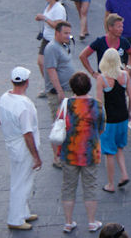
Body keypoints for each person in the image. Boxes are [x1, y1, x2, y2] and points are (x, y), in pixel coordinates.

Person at [0, 67, 42, 231]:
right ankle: (15, 218)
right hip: (22, 147)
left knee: (20, 178)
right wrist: (36, 156)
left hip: (12, 144)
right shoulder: (24, 105)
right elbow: (27, 134)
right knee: (22, 182)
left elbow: (0, 120)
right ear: (27, 82)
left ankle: (23, 211)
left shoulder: (4, 98)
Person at [59, 72, 105, 233]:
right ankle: (92, 221)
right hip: (90, 151)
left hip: (69, 151)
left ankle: (68, 221)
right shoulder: (97, 105)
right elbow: (101, 128)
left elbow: (60, 124)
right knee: (90, 186)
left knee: (68, 187)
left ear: (72, 88)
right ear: (89, 86)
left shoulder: (66, 104)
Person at [95, 49, 131, 193]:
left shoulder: (102, 79)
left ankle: (110, 184)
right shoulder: (125, 75)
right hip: (122, 117)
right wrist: (129, 112)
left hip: (109, 120)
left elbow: (99, 102)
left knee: (109, 152)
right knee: (119, 148)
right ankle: (124, 174)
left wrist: (99, 122)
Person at [44, 21, 76, 168]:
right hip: (59, 93)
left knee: (66, 124)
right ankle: (57, 157)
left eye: (69, 33)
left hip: (68, 90)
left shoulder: (63, 45)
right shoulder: (51, 48)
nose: (68, 36)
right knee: (58, 125)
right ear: (57, 32)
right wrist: (60, 91)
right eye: (65, 33)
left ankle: (65, 153)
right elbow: (51, 70)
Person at [80, 14, 131, 78]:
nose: (122, 29)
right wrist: (92, 73)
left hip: (120, 79)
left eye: (122, 27)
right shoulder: (100, 42)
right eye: (119, 27)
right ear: (110, 27)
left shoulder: (123, 41)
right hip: (105, 81)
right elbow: (83, 56)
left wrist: (129, 66)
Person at [35, 0, 66, 96]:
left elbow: (57, 25)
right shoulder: (48, 6)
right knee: (41, 62)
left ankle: (57, 87)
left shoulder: (58, 8)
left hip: (55, 40)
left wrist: (44, 18)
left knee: (53, 66)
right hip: (46, 38)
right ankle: (49, 85)